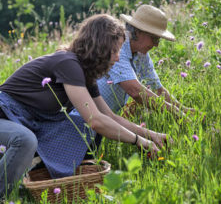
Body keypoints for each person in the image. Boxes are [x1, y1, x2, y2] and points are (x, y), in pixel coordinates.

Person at [0, 14, 169, 199]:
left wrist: (152, 136)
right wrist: (138, 141)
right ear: (101, 46)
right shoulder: (68, 63)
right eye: (115, 50)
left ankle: (55, 181)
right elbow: (96, 120)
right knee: (25, 140)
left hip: (28, 121)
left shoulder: (84, 74)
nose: (118, 57)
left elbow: (109, 117)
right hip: (5, 113)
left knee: (83, 126)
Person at [95, 5, 197, 117]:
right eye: (154, 38)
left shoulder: (141, 54)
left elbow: (157, 89)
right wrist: (178, 114)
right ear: (138, 32)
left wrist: (184, 110)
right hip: (83, 118)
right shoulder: (118, 48)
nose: (157, 45)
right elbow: (135, 91)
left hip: (102, 119)